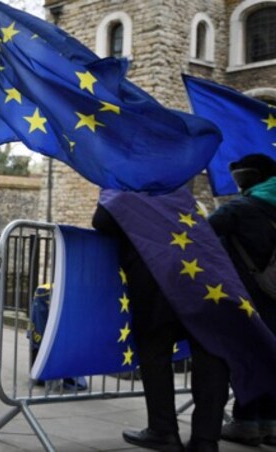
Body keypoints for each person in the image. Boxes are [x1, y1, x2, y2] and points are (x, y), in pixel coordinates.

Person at [93, 200, 229, 452]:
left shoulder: (127, 188)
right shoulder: (181, 191)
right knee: (210, 353)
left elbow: (101, 221)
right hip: (207, 279)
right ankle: (206, 439)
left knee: (155, 349)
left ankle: (163, 431)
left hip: (159, 278)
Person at [208, 153, 276, 447]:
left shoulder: (241, 208)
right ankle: (271, 425)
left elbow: (202, 234)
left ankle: (247, 423)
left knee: (248, 359)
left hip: (250, 297)